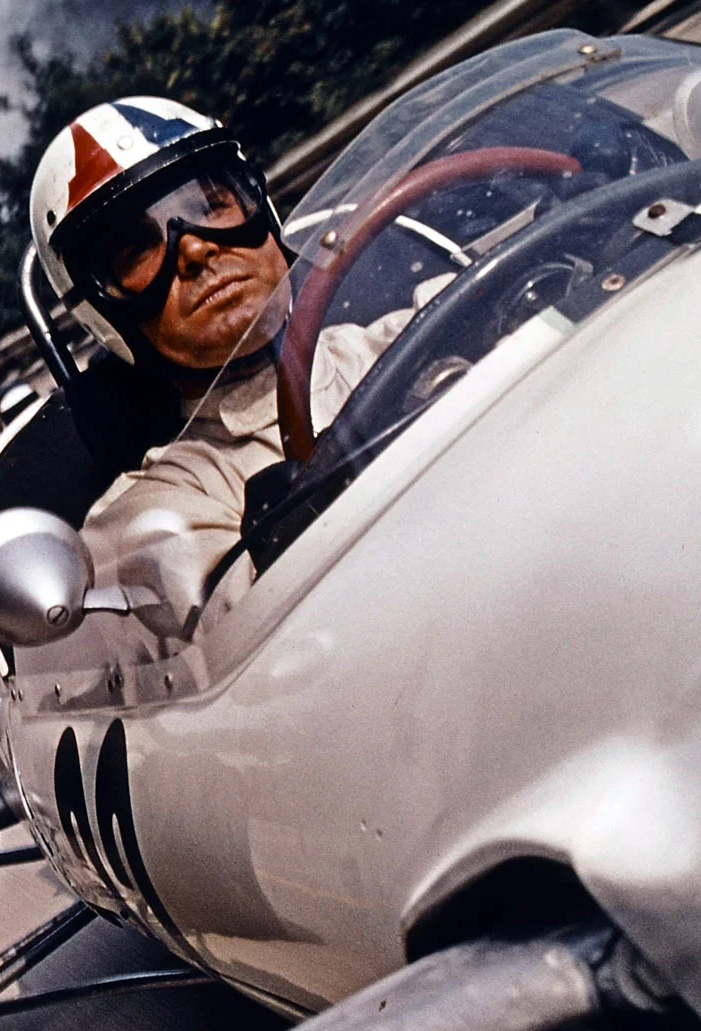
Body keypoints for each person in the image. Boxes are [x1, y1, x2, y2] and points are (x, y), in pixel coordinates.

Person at [29, 97, 448, 640]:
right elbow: (269, 638)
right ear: (101, 309)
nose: (197, 248)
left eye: (209, 203)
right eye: (136, 248)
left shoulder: (411, 329)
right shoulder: (154, 514)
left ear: (260, 209)